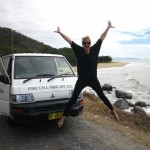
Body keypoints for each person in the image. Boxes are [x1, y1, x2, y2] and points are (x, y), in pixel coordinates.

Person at [54, 21, 119, 128]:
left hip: (93, 79)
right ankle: (63, 116)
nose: (87, 45)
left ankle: (113, 111)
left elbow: (102, 37)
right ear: (82, 44)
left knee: (102, 96)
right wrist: (60, 32)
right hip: (82, 80)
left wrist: (108, 28)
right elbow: (69, 40)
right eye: (85, 43)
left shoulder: (95, 49)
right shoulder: (78, 50)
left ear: (90, 43)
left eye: (88, 43)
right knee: (73, 97)